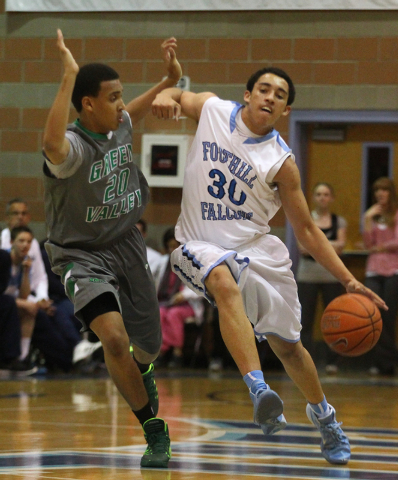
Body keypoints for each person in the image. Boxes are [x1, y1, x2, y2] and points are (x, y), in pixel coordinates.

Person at [151, 66, 387, 465]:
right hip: (199, 244)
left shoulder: (282, 162)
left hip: (257, 251)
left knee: (290, 347)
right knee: (222, 283)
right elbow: (178, 95)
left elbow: (309, 231)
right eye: (263, 89)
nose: (270, 97)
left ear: (286, 110)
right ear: (247, 94)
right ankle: (259, 389)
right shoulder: (212, 110)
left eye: (279, 94)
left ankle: (326, 418)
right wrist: (165, 95)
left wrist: (349, 281)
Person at [41, 29, 182, 468]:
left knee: (148, 347)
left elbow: (132, 114)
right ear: (87, 103)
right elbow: (50, 145)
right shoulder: (73, 150)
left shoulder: (118, 124)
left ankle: (145, 368)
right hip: (80, 255)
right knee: (115, 340)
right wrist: (68, 74)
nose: (123, 104)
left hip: (126, 245)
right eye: (114, 96)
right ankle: (152, 430)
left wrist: (167, 82)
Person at [296, 182, 347, 374]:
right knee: (305, 320)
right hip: (307, 276)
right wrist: (328, 246)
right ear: (313, 198)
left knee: (334, 320)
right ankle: (304, 362)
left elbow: (341, 246)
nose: (322, 198)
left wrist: (315, 245)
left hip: (331, 276)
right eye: (318, 194)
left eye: (326, 194)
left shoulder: (338, 221)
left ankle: (333, 361)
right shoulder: (305, 219)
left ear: (331, 198)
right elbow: (302, 248)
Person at [152, 227, 204, 368]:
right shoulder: (162, 263)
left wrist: (183, 295)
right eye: (170, 247)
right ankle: (161, 352)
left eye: (176, 246)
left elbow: (201, 287)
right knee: (161, 313)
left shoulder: (192, 262)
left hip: (187, 304)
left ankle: (176, 352)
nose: (173, 250)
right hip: (165, 302)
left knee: (174, 314)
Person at [363, 176, 398, 376]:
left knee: (389, 316)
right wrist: (367, 220)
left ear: (390, 192)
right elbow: (368, 245)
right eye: (377, 190)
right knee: (373, 316)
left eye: (384, 190)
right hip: (373, 271)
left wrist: (381, 246)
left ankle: (388, 363)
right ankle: (378, 362)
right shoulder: (372, 215)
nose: (380, 193)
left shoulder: (396, 214)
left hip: (393, 271)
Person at [0, 248, 38, 377]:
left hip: (8, 299)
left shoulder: (4, 257)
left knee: (30, 310)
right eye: (21, 241)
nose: (25, 245)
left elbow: (3, 288)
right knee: (10, 304)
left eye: (28, 241)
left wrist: (26, 272)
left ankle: (16, 358)